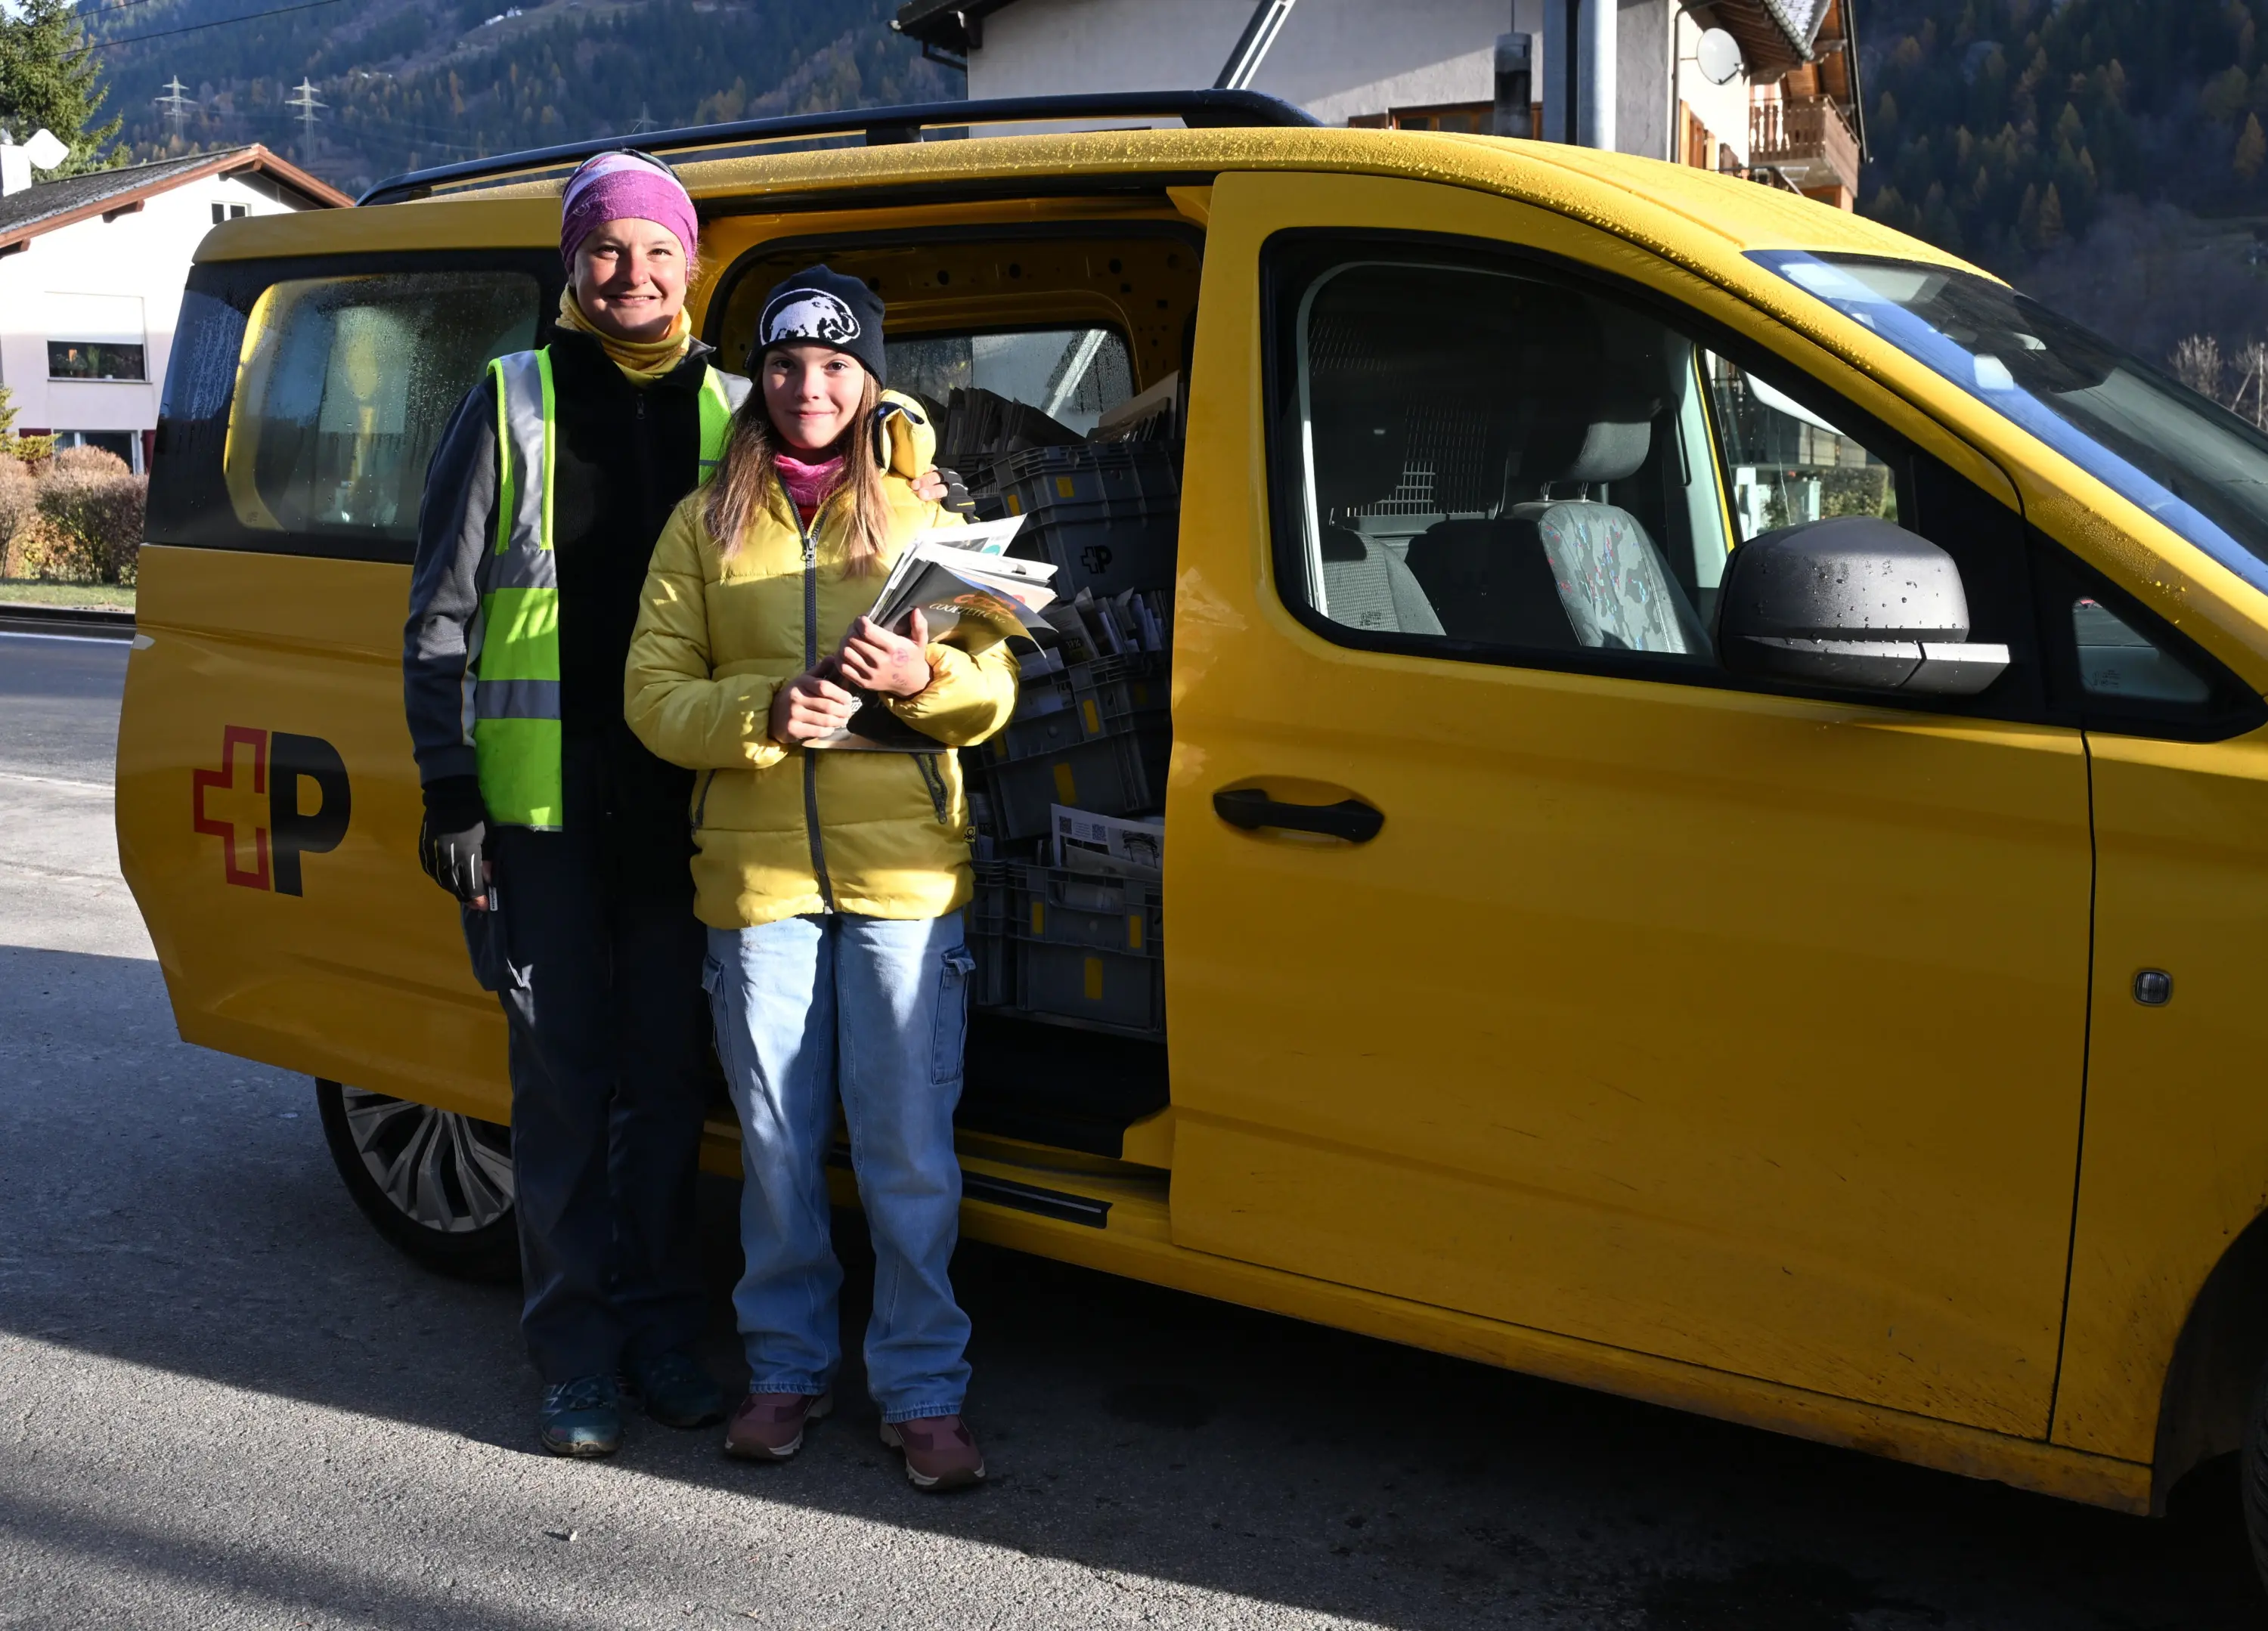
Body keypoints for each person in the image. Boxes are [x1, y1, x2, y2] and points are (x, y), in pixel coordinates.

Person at [403, 155, 956, 1458]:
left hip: (697, 801)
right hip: (540, 809)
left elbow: (865, 445)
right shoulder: (511, 398)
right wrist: (449, 787)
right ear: (571, 265)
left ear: (692, 267)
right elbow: (438, 615)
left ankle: (661, 1330)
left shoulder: (739, 403)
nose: (633, 276)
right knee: (560, 1082)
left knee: (664, 1083)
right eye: (606, 251)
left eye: (657, 253)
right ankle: (577, 1349)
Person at [624, 265, 1018, 1491]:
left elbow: (995, 690)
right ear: (762, 378)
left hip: (903, 875)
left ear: (870, 380)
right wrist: (759, 709)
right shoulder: (704, 522)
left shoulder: (924, 515)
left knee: (906, 1147)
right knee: (782, 1145)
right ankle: (785, 1368)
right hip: (758, 882)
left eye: (837, 366)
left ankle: (924, 1391)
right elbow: (652, 696)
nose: (810, 387)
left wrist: (923, 682)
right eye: (789, 365)